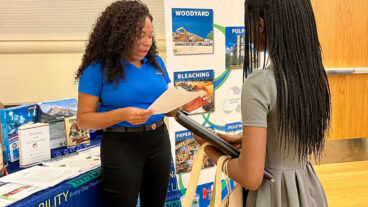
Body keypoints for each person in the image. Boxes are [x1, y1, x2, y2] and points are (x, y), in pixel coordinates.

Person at [194, 0, 331, 206]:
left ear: (260, 25)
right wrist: (243, 139)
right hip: (308, 190)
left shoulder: (260, 84)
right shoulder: (313, 77)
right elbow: (286, 139)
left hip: (273, 195)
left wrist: (208, 148)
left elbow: (251, 177)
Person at [75, 1, 209, 206]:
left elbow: (165, 106)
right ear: (120, 34)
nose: (147, 42)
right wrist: (122, 115)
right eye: (140, 35)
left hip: (158, 142)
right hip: (121, 148)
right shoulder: (97, 69)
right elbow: (84, 120)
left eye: (150, 36)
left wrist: (183, 107)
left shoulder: (156, 62)